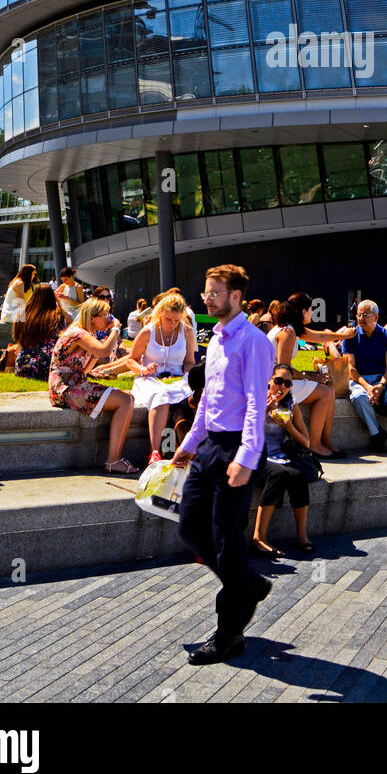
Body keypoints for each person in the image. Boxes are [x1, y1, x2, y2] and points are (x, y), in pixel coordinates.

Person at [173, 264, 275, 666]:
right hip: (211, 446)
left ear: (236, 296)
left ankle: (229, 633)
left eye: (214, 292)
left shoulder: (254, 342)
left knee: (227, 541)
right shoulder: (215, 340)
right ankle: (248, 584)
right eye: (205, 291)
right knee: (190, 528)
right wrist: (189, 443)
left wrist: (246, 459)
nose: (206, 298)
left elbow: (255, 405)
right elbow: (207, 403)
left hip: (238, 449)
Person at [48, 297, 138, 474]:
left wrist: (101, 369)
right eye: (105, 315)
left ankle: (114, 459)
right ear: (91, 317)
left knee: (127, 398)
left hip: (71, 386)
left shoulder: (84, 334)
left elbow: (87, 368)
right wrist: (116, 330)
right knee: (125, 400)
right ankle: (113, 460)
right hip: (67, 389)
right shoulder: (78, 334)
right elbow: (104, 350)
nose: (109, 319)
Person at [252, 362, 316, 557]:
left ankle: (302, 536)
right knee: (279, 474)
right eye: (278, 381)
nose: (282, 387)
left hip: (281, 458)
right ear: (269, 380)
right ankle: (258, 537)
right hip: (256, 457)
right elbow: (243, 429)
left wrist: (288, 427)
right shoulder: (257, 398)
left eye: (287, 384)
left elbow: (306, 442)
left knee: (298, 475)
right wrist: (264, 410)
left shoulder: (291, 405)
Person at [124, 291, 196, 463]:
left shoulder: (186, 331)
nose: (172, 324)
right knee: (161, 395)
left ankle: (193, 447)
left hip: (176, 379)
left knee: (194, 396)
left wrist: (187, 375)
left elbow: (189, 362)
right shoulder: (148, 332)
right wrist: (143, 369)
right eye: (168, 319)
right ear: (160, 315)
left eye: (176, 320)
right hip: (149, 378)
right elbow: (131, 361)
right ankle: (155, 451)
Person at [266, 299, 343, 458]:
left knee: (329, 390)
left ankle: (325, 441)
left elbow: (319, 336)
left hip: (273, 381)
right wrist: (311, 375)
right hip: (275, 385)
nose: (312, 313)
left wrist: (344, 335)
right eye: (310, 309)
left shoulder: (288, 329)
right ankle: (315, 445)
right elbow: (283, 369)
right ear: (303, 312)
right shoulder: (288, 332)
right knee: (326, 393)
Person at [343, 300, 387, 454]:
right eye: (358, 314)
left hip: (381, 378)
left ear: (376, 317)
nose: (361, 318)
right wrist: (367, 387)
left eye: (365, 315)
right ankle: (377, 434)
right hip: (359, 379)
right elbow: (351, 369)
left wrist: (380, 386)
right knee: (359, 397)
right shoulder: (351, 336)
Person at [14, 286, 70, 380]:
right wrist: (59, 303)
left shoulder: (23, 314)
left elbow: (18, 339)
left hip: (23, 367)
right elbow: (68, 326)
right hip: (47, 368)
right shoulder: (57, 316)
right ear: (52, 298)